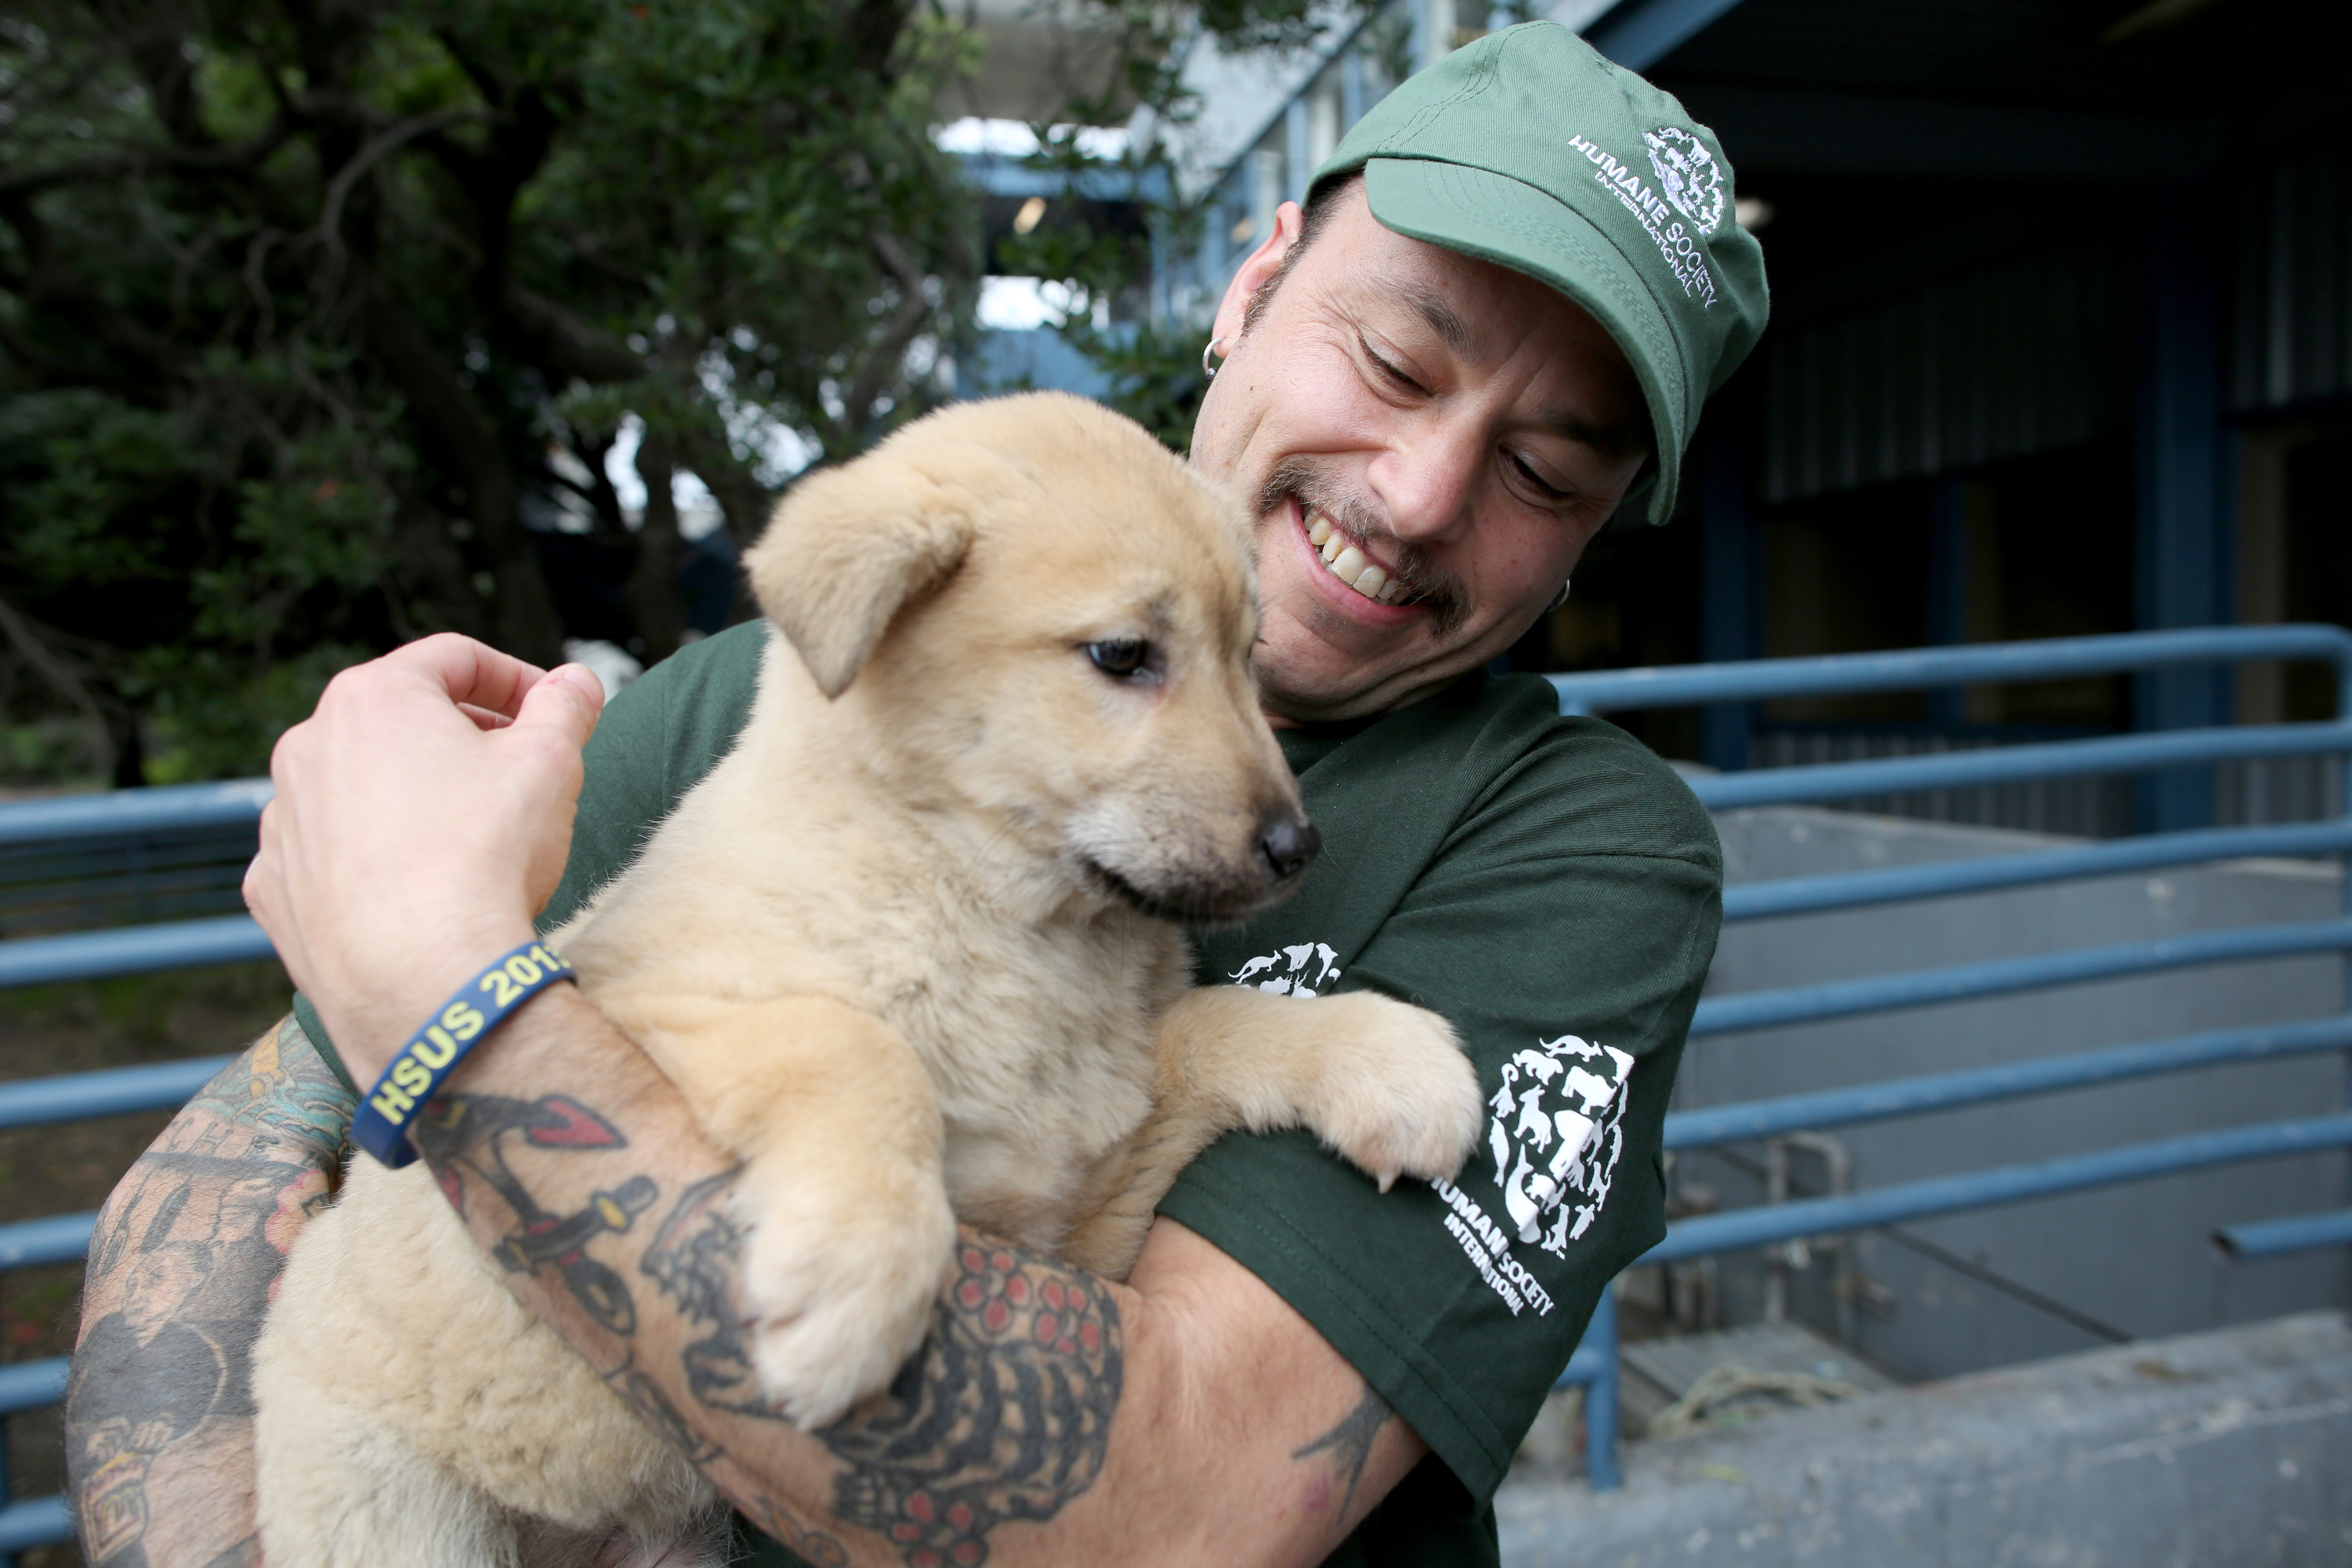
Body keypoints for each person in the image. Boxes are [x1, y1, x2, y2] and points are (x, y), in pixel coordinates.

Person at [68, 21, 1766, 1568]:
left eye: (1546, 471)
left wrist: (441, 995)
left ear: (1600, 530)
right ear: (1255, 279)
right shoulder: (790, 691)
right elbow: (219, 1190)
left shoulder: (1581, 854)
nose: (1417, 491)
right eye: (1395, 362)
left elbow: (1181, 1515)